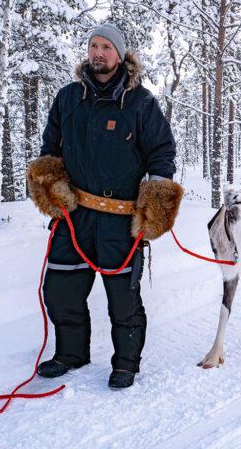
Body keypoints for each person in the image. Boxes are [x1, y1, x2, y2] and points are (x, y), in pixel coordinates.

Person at [26, 23, 182, 389]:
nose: (98, 53)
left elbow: (162, 154)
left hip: (120, 220)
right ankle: (70, 353)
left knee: (122, 298)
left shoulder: (141, 103)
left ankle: (125, 363)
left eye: (106, 47)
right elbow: (50, 149)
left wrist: (154, 208)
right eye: (94, 46)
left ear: (120, 54)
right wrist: (50, 190)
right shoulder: (67, 98)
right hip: (73, 214)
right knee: (60, 289)